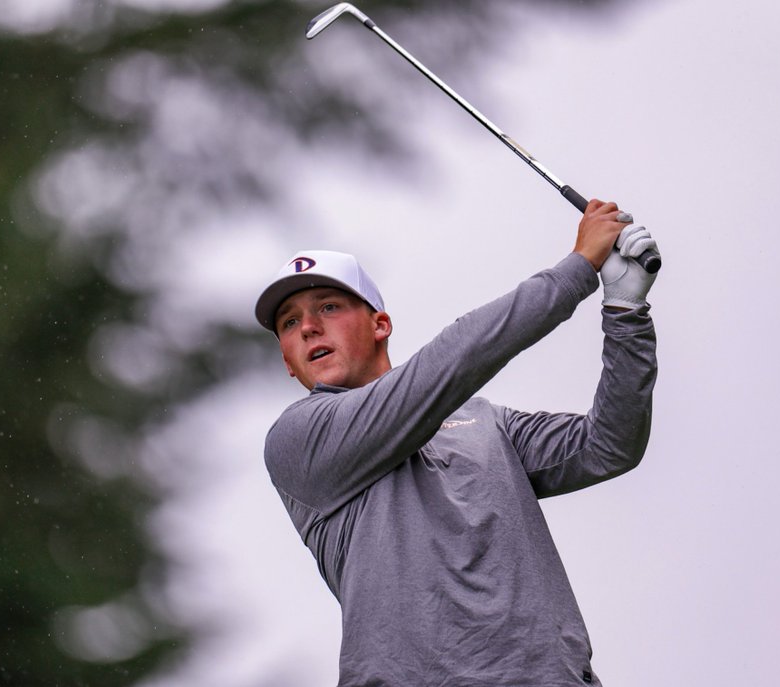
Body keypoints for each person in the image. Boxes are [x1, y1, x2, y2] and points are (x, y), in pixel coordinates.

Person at [253, 200, 659, 686]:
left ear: (380, 324)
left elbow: (608, 445)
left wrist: (625, 311)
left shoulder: (483, 421)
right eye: (289, 323)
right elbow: (448, 364)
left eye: (329, 307)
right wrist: (576, 270)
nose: (309, 328)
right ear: (287, 360)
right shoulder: (298, 440)